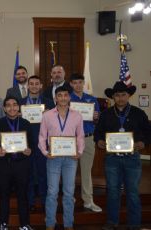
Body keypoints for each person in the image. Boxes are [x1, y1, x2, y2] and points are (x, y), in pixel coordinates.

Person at [95, 81, 151, 230]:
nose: (120, 98)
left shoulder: (138, 113)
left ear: (129, 96)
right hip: (112, 159)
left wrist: (143, 143)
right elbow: (98, 133)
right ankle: (112, 221)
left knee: (132, 192)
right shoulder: (106, 114)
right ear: (113, 97)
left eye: (124, 95)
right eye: (117, 95)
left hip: (132, 158)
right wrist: (99, 141)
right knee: (113, 191)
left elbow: (148, 132)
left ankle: (134, 224)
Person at [38, 86, 84, 230]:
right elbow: (42, 136)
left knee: (69, 192)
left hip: (71, 159)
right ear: (55, 98)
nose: (63, 98)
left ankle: (68, 223)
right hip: (53, 158)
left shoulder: (77, 115)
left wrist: (80, 151)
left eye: (65, 95)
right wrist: (46, 152)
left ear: (69, 97)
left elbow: (80, 136)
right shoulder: (47, 115)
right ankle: (50, 223)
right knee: (52, 192)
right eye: (60, 95)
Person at [0, 96, 34, 230]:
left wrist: (30, 150)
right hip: (4, 165)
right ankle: (3, 224)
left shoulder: (26, 123)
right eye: (8, 105)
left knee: (23, 195)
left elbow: (32, 143)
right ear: (4, 108)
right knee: (3, 195)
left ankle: (24, 224)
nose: (11, 107)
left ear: (19, 107)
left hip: (22, 164)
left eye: (14, 105)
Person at [20, 75, 54, 211]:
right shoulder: (20, 103)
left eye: (36, 84)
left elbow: (56, 124)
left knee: (43, 173)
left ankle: (45, 201)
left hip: (43, 143)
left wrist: (49, 115)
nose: (34, 86)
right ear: (28, 86)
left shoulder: (49, 103)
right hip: (26, 143)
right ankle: (30, 201)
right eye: (31, 84)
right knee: (28, 174)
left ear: (41, 86)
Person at [69, 73, 102, 212]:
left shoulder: (92, 99)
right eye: (75, 83)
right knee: (69, 170)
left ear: (84, 83)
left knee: (86, 171)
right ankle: (69, 199)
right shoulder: (66, 98)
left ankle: (88, 200)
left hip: (88, 138)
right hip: (71, 139)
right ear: (71, 84)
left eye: (80, 82)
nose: (77, 85)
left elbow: (97, 120)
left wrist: (95, 117)